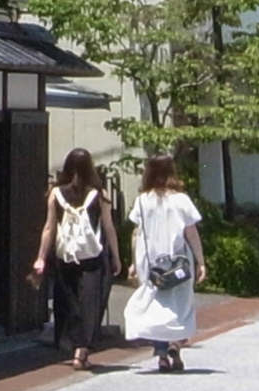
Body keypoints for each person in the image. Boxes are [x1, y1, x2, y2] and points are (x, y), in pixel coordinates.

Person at [29, 147, 120, 370]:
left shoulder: (56, 193)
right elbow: (108, 227)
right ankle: (82, 349)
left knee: (68, 300)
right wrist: (116, 256)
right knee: (91, 301)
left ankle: (70, 343)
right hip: (92, 256)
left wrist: (41, 257)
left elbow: (49, 228)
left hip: (64, 256)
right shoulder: (99, 194)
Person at [121, 153, 206, 373]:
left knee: (155, 307)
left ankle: (161, 355)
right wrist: (200, 261)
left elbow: (136, 233)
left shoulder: (142, 201)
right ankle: (176, 346)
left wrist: (133, 262)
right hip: (179, 263)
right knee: (179, 307)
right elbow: (191, 232)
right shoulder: (181, 200)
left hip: (151, 265)